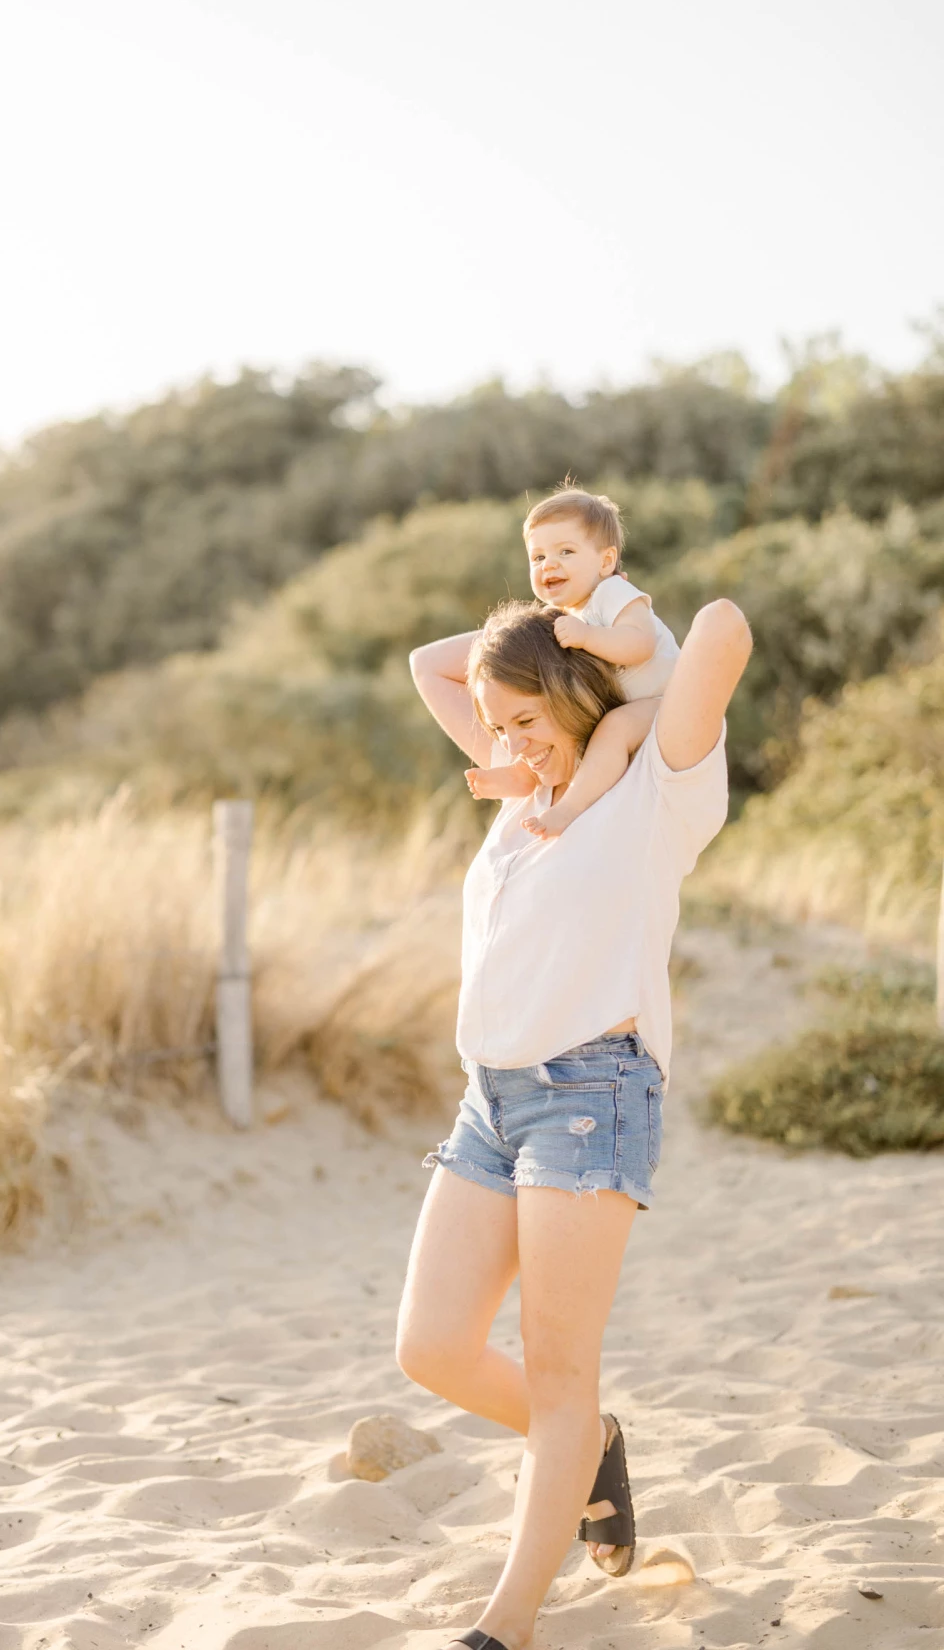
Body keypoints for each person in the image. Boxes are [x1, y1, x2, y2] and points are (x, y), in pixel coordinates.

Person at [398, 594, 751, 1650]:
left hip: (592, 1098)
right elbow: (431, 663)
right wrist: (541, 642)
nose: (502, 742)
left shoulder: (657, 786)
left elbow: (724, 627)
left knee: (557, 1368)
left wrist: (612, 637)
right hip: (490, 1100)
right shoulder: (528, 789)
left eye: (522, 720)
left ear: (575, 694)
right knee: (432, 1348)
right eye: (495, 724)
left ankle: (508, 1624)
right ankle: (587, 1445)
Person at [470, 485, 681, 814]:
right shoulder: (568, 615)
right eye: (538, 557)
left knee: (614, 729)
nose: (548, 565)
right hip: (624, 708)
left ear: (606, 561)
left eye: (565, 552)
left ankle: (569, 809)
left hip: (667, 704)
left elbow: (641, 644)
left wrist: (586, 636)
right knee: (569, 727)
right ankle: (526, 776)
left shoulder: (612, 592)